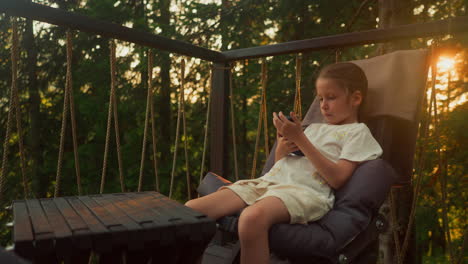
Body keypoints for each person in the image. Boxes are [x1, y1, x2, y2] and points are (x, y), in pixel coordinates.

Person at [185, 62, 383, 264]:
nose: (323, 105)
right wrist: (283, 147)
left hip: (304, 192)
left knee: (251, 219)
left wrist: (301, 140)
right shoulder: (313, 128)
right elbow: (280, 167)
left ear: (356, 98)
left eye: (331, 98)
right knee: (191, 211)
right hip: (269, 184)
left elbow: (338, 178)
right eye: (321, 98)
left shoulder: (358, 133)